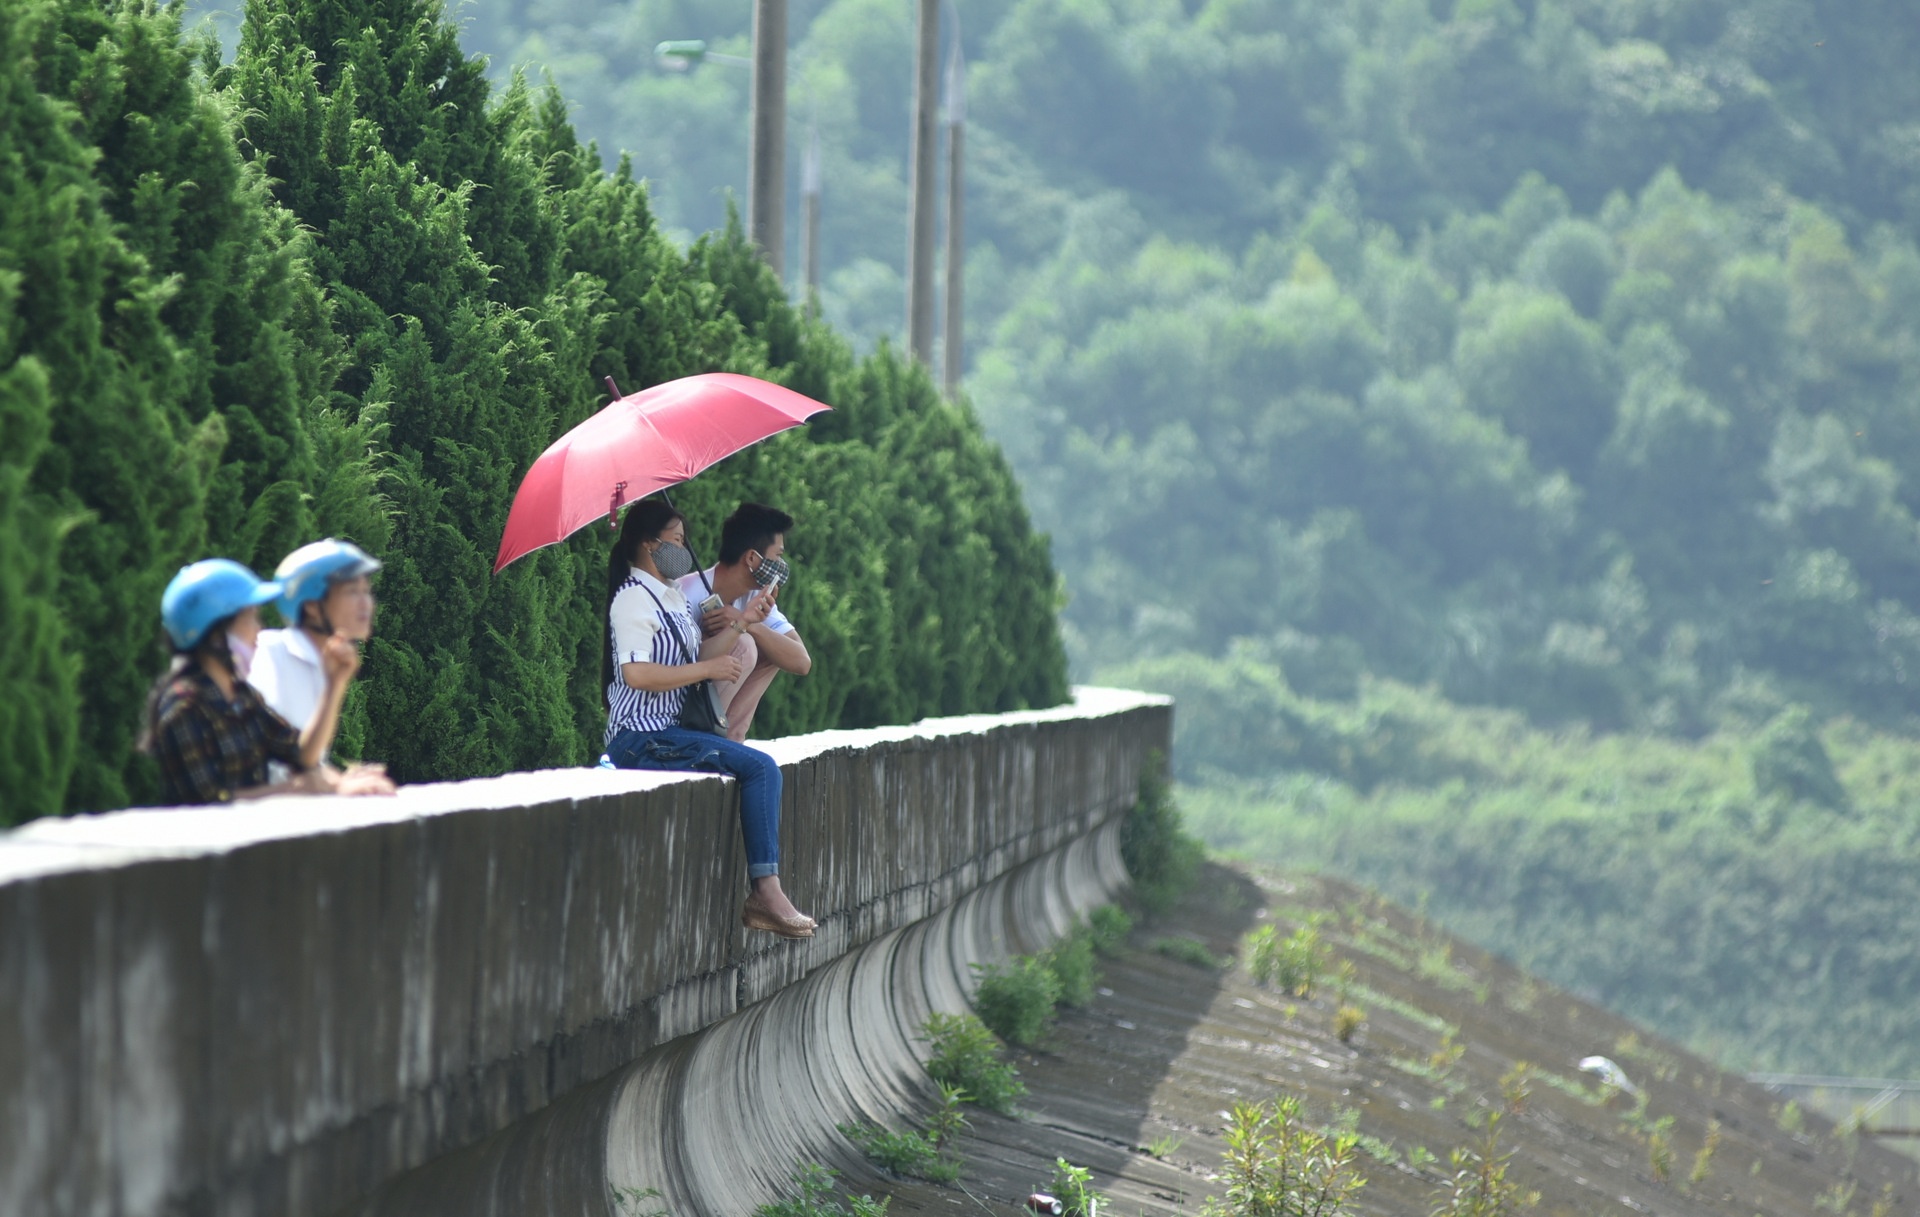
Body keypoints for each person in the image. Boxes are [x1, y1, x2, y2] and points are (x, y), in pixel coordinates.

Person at [601, 498, 815, 938]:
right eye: (676, 541)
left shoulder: (673, 596)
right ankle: (765, 893)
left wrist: (742, 625)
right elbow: (636, 674)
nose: (684, 549)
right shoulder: (632, 600)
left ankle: (766, 892)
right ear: (649, 545)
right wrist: (707, 669)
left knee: (758, 761)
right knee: (761, 769)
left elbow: (700, 654)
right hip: (640, 738)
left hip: (668, 732)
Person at [140, 559, 392, 805]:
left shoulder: (242, 696)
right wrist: (293, 791)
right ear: (216, 634)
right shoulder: (183, 706)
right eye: (250, 618)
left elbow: (301, 754)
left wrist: (335, 683)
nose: (259, 630)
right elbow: (206, 801)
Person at [676, 502, 812, 742]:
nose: (781, 566)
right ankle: (707, 739)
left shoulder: (754, 598)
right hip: (679, 712)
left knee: (771, 648)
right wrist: (738, 629)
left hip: (716, 712)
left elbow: (801, 662)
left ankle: (733, 737)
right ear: (751, 557)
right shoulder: (687, 593)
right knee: (745, 645)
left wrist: (748, 622)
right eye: (778, 556)